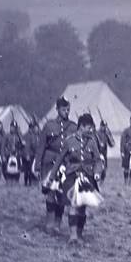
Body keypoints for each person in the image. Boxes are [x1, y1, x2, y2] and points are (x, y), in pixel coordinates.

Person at [46, 113, 102, 245]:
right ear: (81, 126)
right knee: (73, 205)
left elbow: (98, 160)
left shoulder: (92, 142)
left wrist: (97, 172)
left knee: (82, 208)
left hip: (87, 178)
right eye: (89, 127)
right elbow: (59, 160)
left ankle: (80, 234)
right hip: (71, 177)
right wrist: (52, 177)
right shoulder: (69, 141)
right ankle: (73, 236)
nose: (91, 130)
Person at [36, 98, 78, 232]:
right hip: (49, 164)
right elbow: (41, 146)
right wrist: (37, 165)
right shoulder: (49, 126)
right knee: (50, 193)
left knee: (62, 195)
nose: (67, 112)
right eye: (64, 110)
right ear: (58, 110)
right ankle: (49, 223)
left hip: (65, 164)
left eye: (68, 109)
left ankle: (57, 225)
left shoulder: (73, 127)